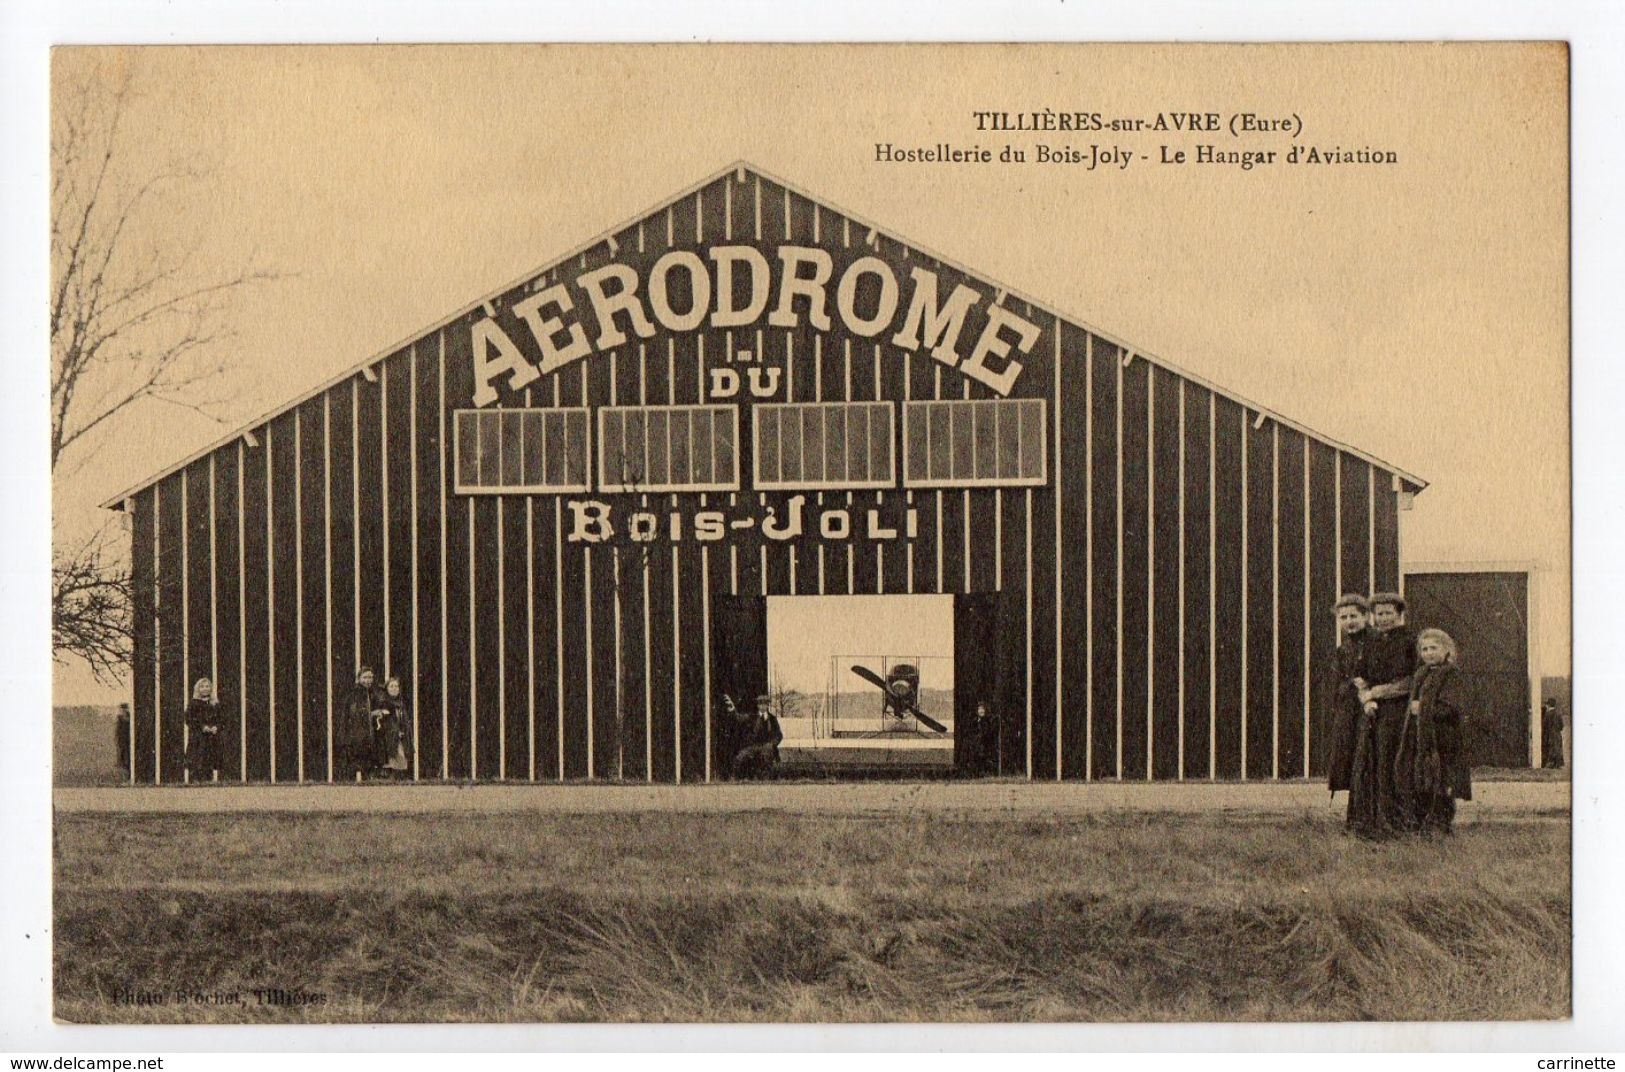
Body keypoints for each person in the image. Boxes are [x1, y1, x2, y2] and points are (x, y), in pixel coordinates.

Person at [1394, 628, 1473, 834]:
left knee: (1441, 784)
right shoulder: (1421, 674)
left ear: (1446, 650)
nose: (1428, 653)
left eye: (1434, 648)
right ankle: (1422, 826)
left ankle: (1441, 827)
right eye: (1424, 649)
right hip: (1420, 740)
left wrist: (1423, 709)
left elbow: (1451, 707)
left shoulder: (1452, 674)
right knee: (1421, 783)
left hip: (1443, 740)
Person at [1353, 592, 1418, 837]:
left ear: (1399, 615)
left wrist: (1377, 693)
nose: (1383, 618)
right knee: (1375, 766)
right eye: (1379, 614)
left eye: (1388, 613)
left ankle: (1403, 824)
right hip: (1374, 713)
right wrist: (1365, 699)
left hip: (1398, 712)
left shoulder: (1410, 641)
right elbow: (1360, 677)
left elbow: (1410, 681)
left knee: (1396, 765)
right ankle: (1380, 823)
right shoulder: (1372, 643)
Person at [1324, 594, 1374, 831]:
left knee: (1369, 763)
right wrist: (1350, 686)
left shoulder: (1375, 642)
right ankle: (1355, 821)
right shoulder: (1343, 649)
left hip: (1371, 709)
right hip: (1350, 713)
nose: (1349, 621)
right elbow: (1336, 684)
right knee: (1354, 764)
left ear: (1365, 616)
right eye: (1343, 617)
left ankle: (1371, 820)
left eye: (1354, 616)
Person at [721, 693, 783, 780]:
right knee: (740, 758)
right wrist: (733, 709)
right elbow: (739, 718)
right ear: (757, 705)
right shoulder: (752, 716)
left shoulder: (772, 719)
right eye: (760, 703)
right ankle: (734, 779)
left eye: (765, 703)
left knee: (767, 761)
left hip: (766, 746)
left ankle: (767, 780)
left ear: (767, 705)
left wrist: (772, 744)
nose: (762, 706)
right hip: (752, 746)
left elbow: (779, 735)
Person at [341, 666, 383, 781]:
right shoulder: (353, 696)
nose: (368, 680)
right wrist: (371, 713)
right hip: (357, 735)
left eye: (370, 677)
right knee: (356, 764)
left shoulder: (374, 694)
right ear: (358, 679)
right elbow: (352, 715)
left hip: (371, 735)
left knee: (368, 765)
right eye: (365, 677)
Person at [184, 678, 226, 783]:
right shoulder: (193, 703)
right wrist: (202, 727)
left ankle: (208, 779)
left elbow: (222, 719)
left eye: (207, 686)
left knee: (210, 757)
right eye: (202, 686)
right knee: (197, 756)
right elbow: (189, 719)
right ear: (198, 689)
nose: (205, 689)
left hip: (211, 736)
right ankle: (195, 780)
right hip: (198, 736)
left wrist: (217, 727)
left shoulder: (215, 703)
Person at [378, 676, 413, 779]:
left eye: (396, 686)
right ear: (387, 688)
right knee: (394, 761)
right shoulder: (384, 703)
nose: (394, 688)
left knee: (401, 762)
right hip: (388, 738)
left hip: (400, 737)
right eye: (391, 686)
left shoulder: (400, 704)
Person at [115, 702, 132, 780]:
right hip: (123, 742)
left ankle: (129, 774)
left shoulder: (128, 719)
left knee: (127, 758)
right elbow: (118, 732)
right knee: (123, 758)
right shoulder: (120, 720)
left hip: (128, 742)